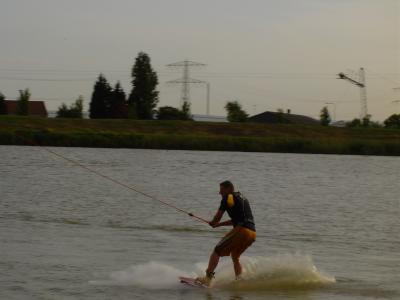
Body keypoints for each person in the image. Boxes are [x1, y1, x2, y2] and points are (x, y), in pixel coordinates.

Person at [196, 180, 256, 286]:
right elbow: (236, 220)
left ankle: (208, 278)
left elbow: (217, 217)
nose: (220, 193)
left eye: (221, 190)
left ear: (229, 189)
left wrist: (214, 222)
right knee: (235, 256)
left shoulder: (227, 198)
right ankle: (239, 280)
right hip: (252, 233)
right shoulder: (242, 198)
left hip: (242, 230)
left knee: (217, 250)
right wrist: (218, 225)